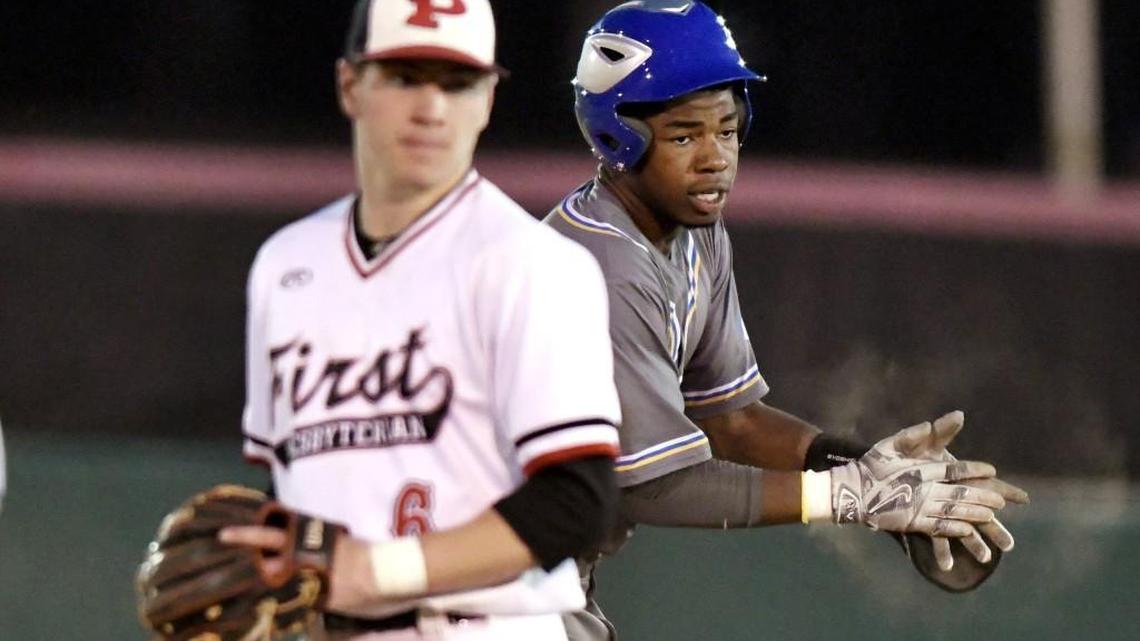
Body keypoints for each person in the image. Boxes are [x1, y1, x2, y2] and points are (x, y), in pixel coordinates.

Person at [542, 2, 1030, 639]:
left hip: (537, 582)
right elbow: (654, 486)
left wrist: (867, 469)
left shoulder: (694, 234)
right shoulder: (600, 262)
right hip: (473, 580)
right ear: (617, 136)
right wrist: (850, 496)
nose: (716, 156)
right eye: (685, 135)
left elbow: (731, 420)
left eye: (727, 128)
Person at [221, 1, 624, 639]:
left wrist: (377, 571)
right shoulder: (286, 265)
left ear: (489, 98)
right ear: (350, 85)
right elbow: (293, 482)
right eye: (406, 77)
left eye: (458, 84)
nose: (432, 108)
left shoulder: (533, 264)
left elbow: (576, 502)